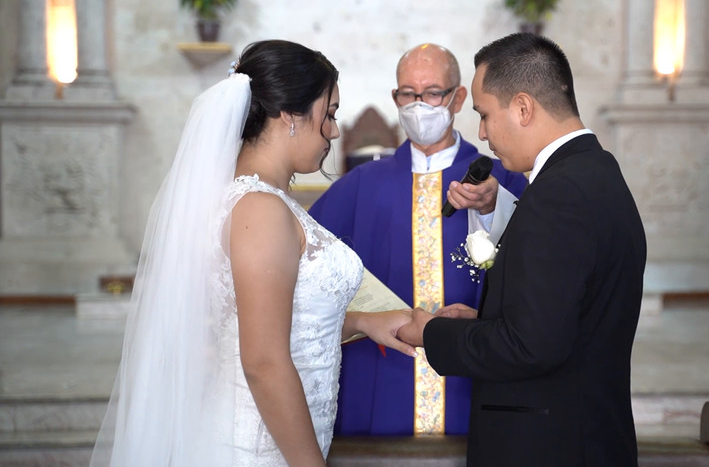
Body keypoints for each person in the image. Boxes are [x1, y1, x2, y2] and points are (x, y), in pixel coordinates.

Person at [90, 40, 415, 467]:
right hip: (256, 448)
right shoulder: (260, 209)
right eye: (329, 113)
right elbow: (262, 360)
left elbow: (265, 326)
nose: (335, 131)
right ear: (290, 115)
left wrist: (360, 322)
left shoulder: (256, 200)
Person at [398, 33, 647, 466]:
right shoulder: (596, 171)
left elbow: (531, 347)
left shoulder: (559, 194)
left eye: (485, 114)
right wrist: (486, 320)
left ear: (524, 108)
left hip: (552, 446)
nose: (481, 132)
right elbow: (561, 320)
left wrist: (431, 333)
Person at [309, 43, 528, 435]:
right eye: (407, 94)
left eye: (431, 93)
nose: (418, 105)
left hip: (471, 373)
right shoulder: (361, 185)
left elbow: (536, 272)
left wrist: (497, 207)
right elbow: (299, 264)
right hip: (381, 370)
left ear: (458, 97)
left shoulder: (501, 179)